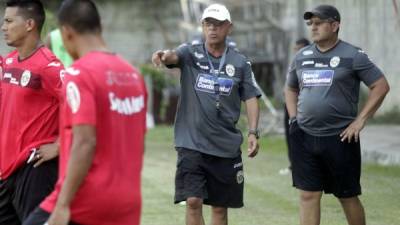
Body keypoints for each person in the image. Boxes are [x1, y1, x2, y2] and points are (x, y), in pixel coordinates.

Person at [23, 0, 148, 224]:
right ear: (99, 27)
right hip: (128, 204)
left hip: (84, 202)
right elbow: (138, 143)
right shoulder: (134, 76)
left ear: (66, 33)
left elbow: (85, 142)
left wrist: (62, 206)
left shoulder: (79, 74)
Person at [152, 3, 261, 225]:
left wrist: (253, 132)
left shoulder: (239, 63)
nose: (212, 29)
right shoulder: (190, 53)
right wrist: (164, 55)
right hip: (191, 143)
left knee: (220, 208)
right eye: (208, 24)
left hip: (225, 145)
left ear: (229, 27)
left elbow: (250, 96)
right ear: (202, 26)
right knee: (193, 201)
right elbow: (173, 56)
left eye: (218, 24)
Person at [285, 4, 390, 225]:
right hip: (304, 135)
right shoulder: (301, 56)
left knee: (347, 195)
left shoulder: (353, 55)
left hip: (340, 137)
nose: (313, 28)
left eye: (319, 23)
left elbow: (380, 86)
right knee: (307, 195)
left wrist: (360, 121)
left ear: (335, 25)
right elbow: (290, 88)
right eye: (310, 24)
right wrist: (294, 118)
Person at [0, 0, 63, 224]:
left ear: (29, 24)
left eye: (8, 21)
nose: (3, 27)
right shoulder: (7, 63)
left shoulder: (49, 67)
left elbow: (82, 106)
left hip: (35, 169)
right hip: (6, 171)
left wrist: (59, 145)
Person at [279, 37, 310, 175]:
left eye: (300, 49)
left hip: (302, 106)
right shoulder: (294, 62)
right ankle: (293, 165)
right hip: (289, 105)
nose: (297, 52)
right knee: (290, 134)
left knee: (302, 136)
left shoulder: (309, 63)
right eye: (296, 49)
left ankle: (304, 165)